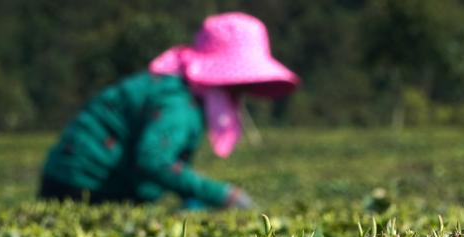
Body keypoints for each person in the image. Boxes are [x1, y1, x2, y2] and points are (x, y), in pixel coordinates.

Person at [39, 12, 298, 209]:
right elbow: (154, 160)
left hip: (79, 181)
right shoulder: (178, 101)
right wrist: (222, 195)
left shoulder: (181, 91)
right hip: (81, 187)